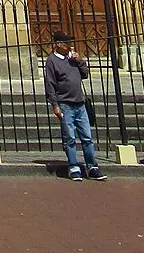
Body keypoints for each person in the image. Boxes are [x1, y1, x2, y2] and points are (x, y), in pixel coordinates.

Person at [44, 31, 106, 181]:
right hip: (65, 105)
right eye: (66, 44)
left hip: (80, 104)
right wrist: (55, 105)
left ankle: (92, 167)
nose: (69, 47)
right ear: (58, 44)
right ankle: (74, 167)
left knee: (87, 137)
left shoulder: (73, 59)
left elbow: (85, 74)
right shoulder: (52, 61)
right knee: (70, 138)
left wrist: (80, 61)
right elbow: (50, 84)